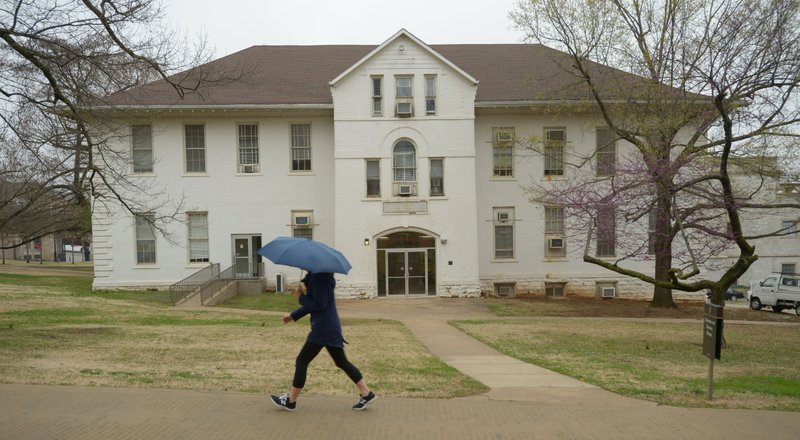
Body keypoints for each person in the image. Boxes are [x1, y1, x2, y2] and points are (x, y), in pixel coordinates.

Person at [270, 271, 376, 412]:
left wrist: (301, 297)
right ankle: (367, 393)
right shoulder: (319, 277)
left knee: (302, 361)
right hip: (329, 327)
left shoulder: (320, 278)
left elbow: (320, 304)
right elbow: (314, 304)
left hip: (323, 329)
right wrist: (293, 315)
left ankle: (290, 401)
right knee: (341, 362)